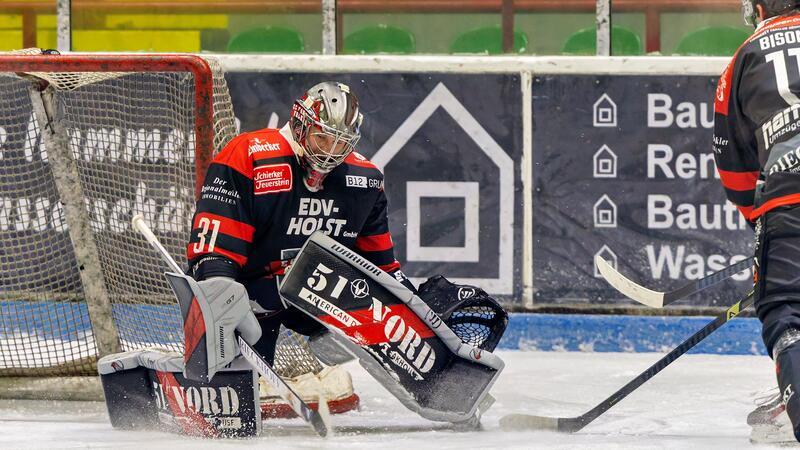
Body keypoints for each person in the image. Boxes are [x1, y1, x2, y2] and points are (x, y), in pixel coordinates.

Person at [186, 81, 414, 364]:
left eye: (342, 142)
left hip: (318, 295)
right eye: (323, 138)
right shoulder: (251, 154)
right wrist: (218, 288)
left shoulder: (365, 180)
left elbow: (382, 269)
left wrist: (418, 313)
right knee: (229, 375)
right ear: (300, 126)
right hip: (251, 291)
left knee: (393, 318)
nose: (331, 151)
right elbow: (216, 247)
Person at [714, 0, 800, 443]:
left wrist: (765, 226)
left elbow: (735, 166)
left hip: (789, 193)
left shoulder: (746, 54)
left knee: (787, 313)